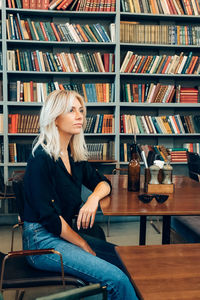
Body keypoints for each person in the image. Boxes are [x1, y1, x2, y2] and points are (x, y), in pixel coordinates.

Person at [23, 90, 138, 300]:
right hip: (42, 242)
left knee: (126, 260)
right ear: (55, 118)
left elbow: (103, 183)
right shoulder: (40, 158)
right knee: (117, 278)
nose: (80, 116)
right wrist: (82, 244)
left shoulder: (74, 156)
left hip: (63, 235)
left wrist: (92, 199)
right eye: (71, 110)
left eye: (81, 110)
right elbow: (50, 220)